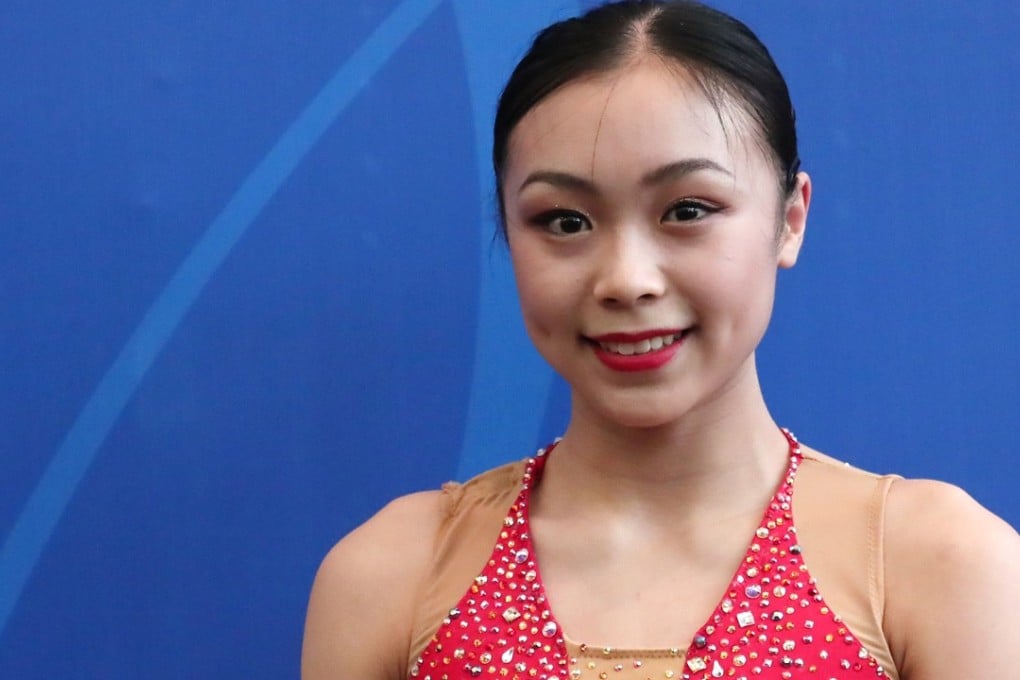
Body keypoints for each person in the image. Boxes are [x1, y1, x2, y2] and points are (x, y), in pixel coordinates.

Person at [301, 1, 1020, 678]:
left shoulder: (937, 566)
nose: (626, 280)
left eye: (687, 209)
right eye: (564, 221)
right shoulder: (392, 573)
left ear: (790, 218)